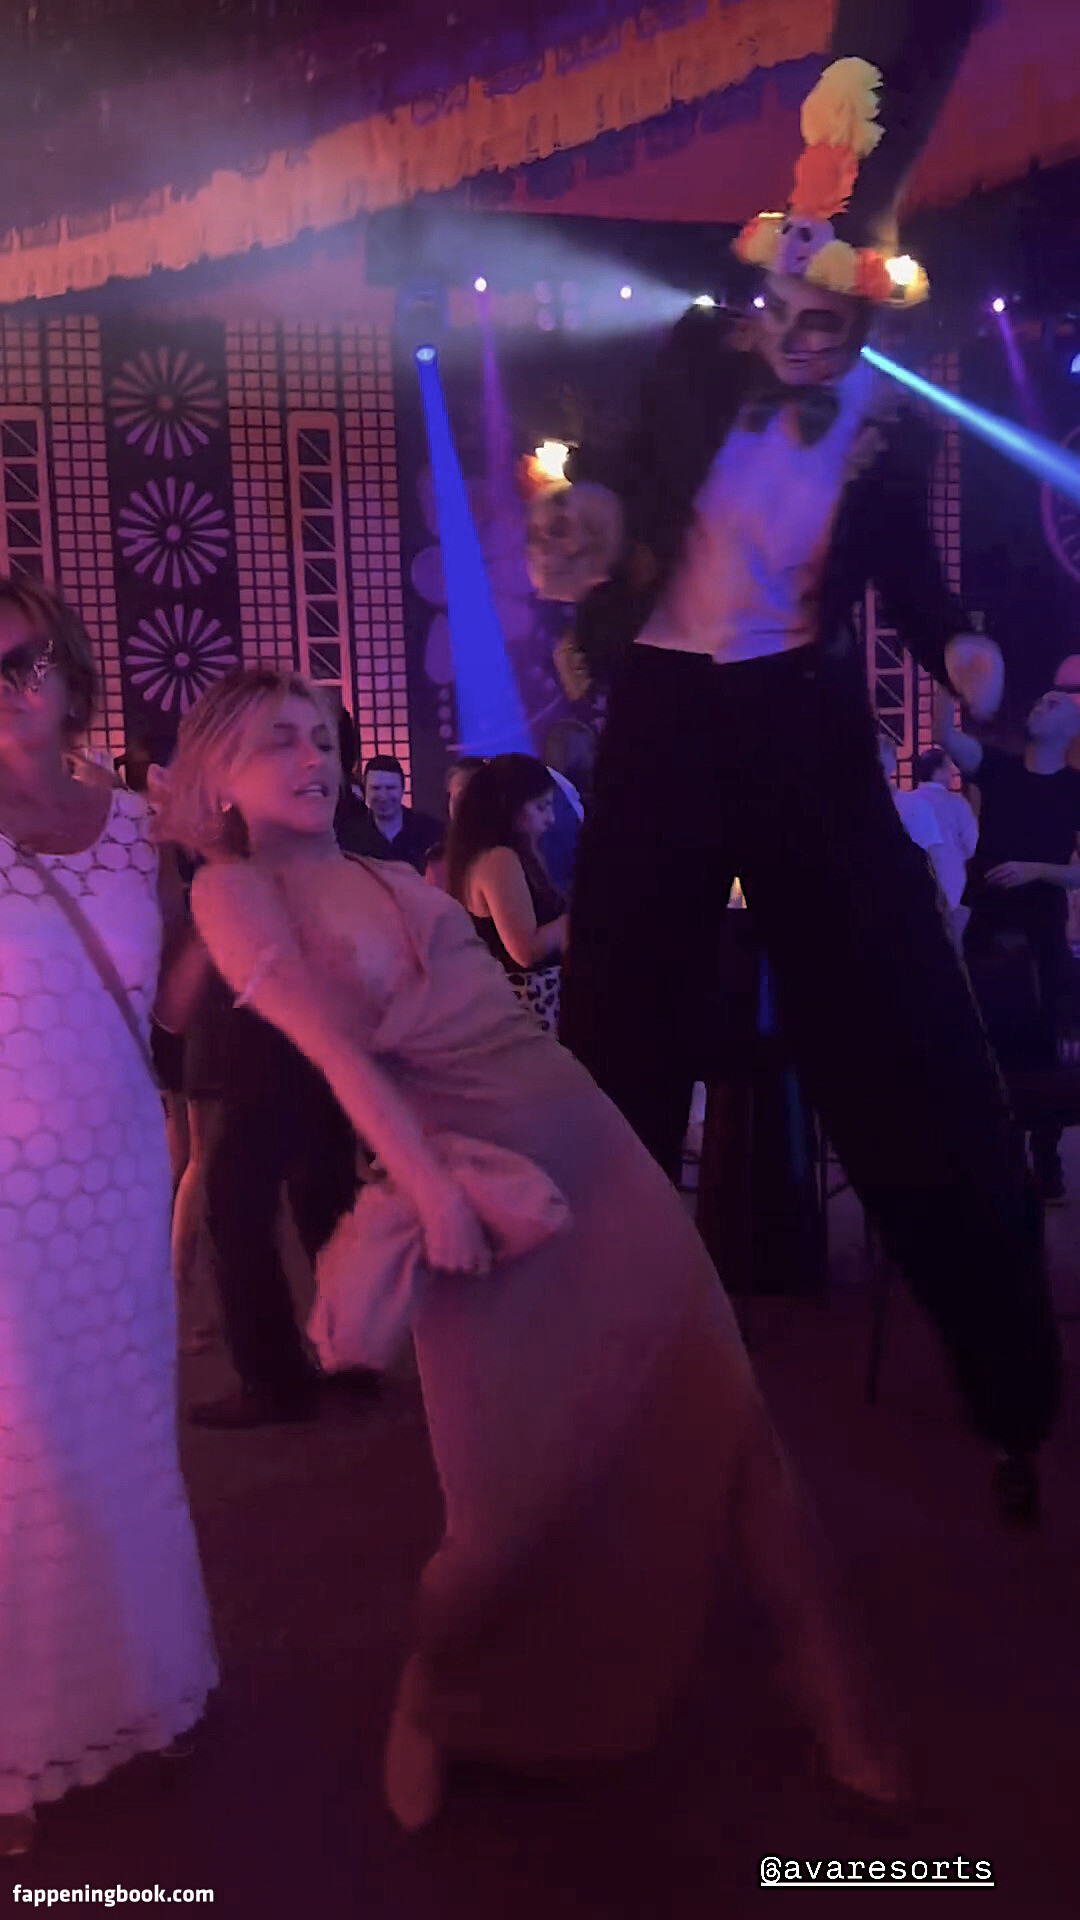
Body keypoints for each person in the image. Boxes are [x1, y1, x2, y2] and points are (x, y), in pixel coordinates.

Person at [161, 669, 898, 1832]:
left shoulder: (392, 872)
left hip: (589, 1147)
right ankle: (434, 1691)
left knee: (732, 1412)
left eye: (318, 735)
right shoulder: (233, 894)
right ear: (218, 781)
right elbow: (343, 1060)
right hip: (469, 1186)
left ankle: (829, 1686)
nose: (311, 757)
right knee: (506, 1506)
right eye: (274, 743)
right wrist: (430, 1193)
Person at [555, 0, 1060, 1526]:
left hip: (798, 719)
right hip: (665, 716)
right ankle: (591, 1386)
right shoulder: (686, 371)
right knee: (618, 1044)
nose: (797, 327)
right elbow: (615, 492)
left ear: (861, 325)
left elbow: (911, 581)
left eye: (827, 315)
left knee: (907, 1023)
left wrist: (965, 656)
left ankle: (1008, 1381)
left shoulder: (883, 439)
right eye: (783, 301)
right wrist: (585, 552)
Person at [0, 577, 215, 1857]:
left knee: (130, 1430)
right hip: (5, 1186)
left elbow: (171, 1007)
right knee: (21, 1448)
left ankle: (144, 1686)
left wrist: (226, 871)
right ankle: (18, 1738)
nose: (9, 683)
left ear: (69, 666)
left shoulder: (139, 827)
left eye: (23, 657)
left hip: (119, 1166)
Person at [938, 686, 1080, 1202]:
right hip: (989, 928)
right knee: (989, 1042)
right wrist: (950, 681)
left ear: (1072, 729)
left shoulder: (1074, 788)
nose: (1043, 703)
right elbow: (945, 734)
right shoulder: (998, 767)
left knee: (1042, 1047)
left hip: (1041, 934)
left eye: (1056, 704)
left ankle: (1045, 1159)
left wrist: (1036, 870)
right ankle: (1004, 1160)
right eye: (1041, 700)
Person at [447, 754, 567, 1034]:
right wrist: (572, 922)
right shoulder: (499, 859)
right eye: (541, 807)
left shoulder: (492, 853)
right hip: (528, 1011)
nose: (550, 818)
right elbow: (525, 950)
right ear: (509, 807)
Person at [877, 733, 951, 911]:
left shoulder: (914, 805)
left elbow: (934, 855)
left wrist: (942, 893)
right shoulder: (851, 810)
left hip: (907, 898)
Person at [913, 744, 979, 942]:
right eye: (949, 767)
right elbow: (971, 844)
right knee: (951, 942)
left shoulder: (906, 802)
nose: (952, 772)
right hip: (952, 882)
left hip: (913, 882)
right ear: (939, 771)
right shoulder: (957, 803)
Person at [342, 754, 441, 873]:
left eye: (390, 788)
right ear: (365, 790)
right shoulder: (348, 837)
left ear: (403, 789)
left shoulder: (430, 831)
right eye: (376, 788)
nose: (383, 796)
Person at [423, 755, 486, 890]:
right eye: (461, 796)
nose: (469, 804)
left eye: (476, 795)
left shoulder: (505, 856)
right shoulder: (437, 860)